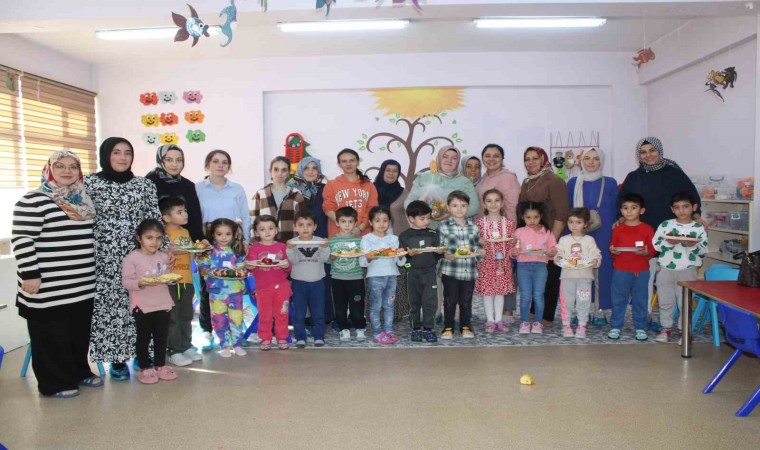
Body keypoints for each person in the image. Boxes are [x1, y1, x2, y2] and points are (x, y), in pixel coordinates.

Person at [12, 150, 99, 398]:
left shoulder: (84, 200)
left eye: (73, 166)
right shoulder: (33, 200)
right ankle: (56, 383)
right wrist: (30, 274)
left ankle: (80, 372)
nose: (67, 171)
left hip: (82, 284)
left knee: (78, 336)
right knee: (51, 337)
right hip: (47, 286)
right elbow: (22, 239)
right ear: (49, 169)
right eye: (60, 166)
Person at [85, 137, 164, 381]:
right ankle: (117, 360)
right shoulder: (89, 183)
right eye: (116, 152)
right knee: (113, 310)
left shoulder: (144, 185)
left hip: (142, 256)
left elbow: (154, 218)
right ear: (106, 155)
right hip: (105, 259)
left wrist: (164, 250)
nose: (122, 157)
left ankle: (143, 355)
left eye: (127, 152)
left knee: (144, 307)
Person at [617, 137, 703, 320]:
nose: (648, 155)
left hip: (672, 235)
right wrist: (621, 218)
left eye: (652, 150)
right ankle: (645, 317)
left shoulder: (675, 174)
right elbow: (623, 201)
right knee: (645, 279)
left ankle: (679, 322)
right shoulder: (634, 177)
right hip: (643, 234)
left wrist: (697, 217)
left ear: (660, 151)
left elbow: (690, 198)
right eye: (643, 152)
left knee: (673, 280)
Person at [195, 150, 251, 346]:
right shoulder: (197, 188)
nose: (220, 165)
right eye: (216, 161)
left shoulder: (237, 189)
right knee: (208, 286)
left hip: (232, 240)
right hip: (207, 241)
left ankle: (236, 331)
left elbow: (245, 216)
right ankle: (208, 330)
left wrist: (245, 240)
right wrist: (199, 241)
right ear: (207, 165)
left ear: (229, 166)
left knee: (233, 284)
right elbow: (193, 216)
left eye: (225, 162)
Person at [121, 219, 178, 384]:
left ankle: (160, 365)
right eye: (149, 238)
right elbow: (126, 281)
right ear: (139, 238)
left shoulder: (164, 256)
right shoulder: (132, 258)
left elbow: (168, 277)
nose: (154, 242)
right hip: (142, 306)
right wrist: (140, 283)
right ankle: (145, 368)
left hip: (163, 304)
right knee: (143, 338)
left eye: (159, 238)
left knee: (161, 337)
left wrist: (171, 279)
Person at [566, 148, 618, 325]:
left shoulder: (610, 183)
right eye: (587, 158)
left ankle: (600, 311)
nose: (591, 162)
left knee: (601, 272)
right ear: (581, 161)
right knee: (581, 273)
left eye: (596, 159)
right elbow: (569, 209)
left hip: (603, 232)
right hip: (578, 234)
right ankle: (583, 310)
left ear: (601, 161)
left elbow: (616, 210)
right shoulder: (573, 182)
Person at [519, 146, 568, 323]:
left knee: (550, 275)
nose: (531, 162)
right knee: (535, 275)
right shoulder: (527, 181)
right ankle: (534, 309)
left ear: (543, 159)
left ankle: (547, 314)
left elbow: (561, 213)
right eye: (527, 159)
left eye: (535, 158)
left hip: (550, 235)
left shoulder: (554, 180)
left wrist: (550, 241)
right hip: (531, 238)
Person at [652, 192, 708, 343]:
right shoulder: (666, 225)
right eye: (677, 207)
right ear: (672, 209)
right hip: (666, 269)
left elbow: (703, 250)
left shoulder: (698, 228)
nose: (681, 210)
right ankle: (665, 329)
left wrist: (693, 245)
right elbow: (656, 245)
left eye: (685, 206)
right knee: (665, 301)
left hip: (688, 270)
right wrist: (669, 242)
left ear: (694, 207)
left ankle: (684, 331)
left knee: (685, 303)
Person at [476, 144, 521, 324]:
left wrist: (508, 232)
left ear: (502, 158)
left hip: (503, 235)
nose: (492, 159)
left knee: (504, 275)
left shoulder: (508, 177)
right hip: (487, 236)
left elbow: (512, 207)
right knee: (490, 282)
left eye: (496, 155)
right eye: (487, 155)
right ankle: (491, 318)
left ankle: (506, 313)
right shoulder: (484, 178)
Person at [287, 157, 335, 326]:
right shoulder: (292, 189)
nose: (310, 171)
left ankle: (324, 317)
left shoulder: (326, 188)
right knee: (299, 279)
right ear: (300, 170)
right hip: (299, 240)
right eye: (306, 168)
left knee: (322, 278)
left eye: (314, 168)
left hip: (320, 238)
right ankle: (301, 318)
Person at [438, 191, 485, 340]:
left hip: (468, 271)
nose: (459, 209)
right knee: (450, 300)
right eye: (455, 205)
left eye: (463, 205)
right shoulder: (443, 226)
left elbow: (476, 246)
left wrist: (480, 251)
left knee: (466, 301)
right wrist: (444, 254)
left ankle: (465, 326)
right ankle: (448, 326)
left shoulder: (474, 227)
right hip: (450, 270)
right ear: (448, 207)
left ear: (468, 207)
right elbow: (440, 247)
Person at [159, 197, 202, 366]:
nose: (185, 214)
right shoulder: (163, 234)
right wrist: (170, 250)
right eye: (179, 212)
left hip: (187, 279)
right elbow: (159, 255)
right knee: (173, 316)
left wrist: (195, 251)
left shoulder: (185, 232)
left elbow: (190, 255)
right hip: (171, 281)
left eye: (185, 211)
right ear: (166, 217)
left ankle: (186, 346)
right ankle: (173, 350)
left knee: (186, 314)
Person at [197, 218, 248, 357]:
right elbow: (202, 269)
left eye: (228, 234)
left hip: (235, 291)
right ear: (213, 234)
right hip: (216, 292)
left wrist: (240, 269)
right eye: (219, 234)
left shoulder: (237, 250)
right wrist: (207, 270)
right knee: (219, 319)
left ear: (233, 234)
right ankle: (224, 345)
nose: (224, 237)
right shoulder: (208, 252)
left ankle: (237, 344)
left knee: (236, 318)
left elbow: (242, 268)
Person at [608, 193, 656, 341]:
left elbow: (652, 249)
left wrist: (646, 252)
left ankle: (640, 327)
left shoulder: (647, 229)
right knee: (618, 298)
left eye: (633, 208)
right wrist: (613, 251)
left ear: (642, 210)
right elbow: (613, 247)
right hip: (621, 269)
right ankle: (616, 326)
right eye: (625, 208)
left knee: (640, 299)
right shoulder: (618, 229)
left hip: (641, 270)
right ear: (621, 211)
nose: (629, 211)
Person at [510, 201, 558, 335]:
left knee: (538, 295)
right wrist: (514, 252)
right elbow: (512, 250)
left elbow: (553, 249)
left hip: (540, 266)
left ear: (541, 216)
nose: (532, 221)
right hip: (523, 266)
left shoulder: (547, 232)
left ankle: (537, 322)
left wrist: (552, 252)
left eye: (535, 217)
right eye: (528, 217)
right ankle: (525, 322)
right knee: (525, 295)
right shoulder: (519, 232)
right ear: (523, 217)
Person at [399, 201, 444, 343]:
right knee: (414, 302)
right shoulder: (405, 235)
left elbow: (438, 254)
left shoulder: (433, 234)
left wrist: (440, 252)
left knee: (430, 302)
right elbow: (401, 257)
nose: (426, 221)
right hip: (412, 273)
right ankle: (416, 328)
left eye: (428, 218)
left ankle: (429, 329)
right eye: (422, 218)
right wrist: (408, 255)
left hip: (430, 273)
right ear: (411, 218)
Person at [554, 208, 602, 339]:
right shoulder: (564, 239)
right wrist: (557, 258)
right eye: (571, 222)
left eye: (578, 222)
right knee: (567, 302)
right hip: (567, 277)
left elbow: (596, 255)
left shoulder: (589, 240)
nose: (574, 225)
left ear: (585, 224)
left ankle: (582, 325)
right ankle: (566, 325)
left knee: (583, 301)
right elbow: (558, 254)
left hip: (584, 277)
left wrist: (595, 261)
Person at [360, 206, 405, 345]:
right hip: (375, 276)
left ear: (389, 222)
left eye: (385, 220)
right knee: (376, 306)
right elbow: (362, 261)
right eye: (377, 220)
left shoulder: (393, 239)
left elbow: (398, 261)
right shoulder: (366, 239)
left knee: (389, 305)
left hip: (392, 275)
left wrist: (401, 255)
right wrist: (369, 257)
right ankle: (377, 332)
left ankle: (389, 330)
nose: (381, 224)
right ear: (370, 222)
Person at [405, 146, 480, 228]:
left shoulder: (464, 182)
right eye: (445, 156)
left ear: (458, 161)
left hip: (452, 230)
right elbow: (409, 201)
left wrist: (451, 214)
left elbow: (474, 207)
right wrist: (420, 211)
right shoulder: (424, 177)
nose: (449, 161)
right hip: (425, 229)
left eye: (454, 158)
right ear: (439, 158)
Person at [286, 210, 331, 348]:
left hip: (317, 282)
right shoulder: (292, 243)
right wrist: (290, 249)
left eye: (309, 224)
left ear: (315, 227)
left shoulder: (320, 241)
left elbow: (325, 259)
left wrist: (325, 248)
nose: (305, 228)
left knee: (318, 312)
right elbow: (293, 261)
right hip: (298, 283)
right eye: (301, 225)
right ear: (295, 227)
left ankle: (319, 336)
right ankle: (300, 337)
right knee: (299, 313)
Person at [247, 215, 292, 351]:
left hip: (282, 287)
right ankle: (265, 338)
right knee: (265, 315)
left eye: (271, 228)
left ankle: (282, 337)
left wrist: (286, 265)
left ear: (276, 230)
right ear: (256, 232)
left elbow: (289, 266)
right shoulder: (254, 248)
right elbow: (251, 267)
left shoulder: (282, 247)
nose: (267, 232)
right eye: (262, 229)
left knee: (282, 314)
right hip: (263, 288)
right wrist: (249, 266)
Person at [475, 189, 517, 333]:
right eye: (489, 201)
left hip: (503, 263)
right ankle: (490, 320)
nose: (493, 204)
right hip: (486, 262)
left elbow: (511, 246)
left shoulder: (509, 224)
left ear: (502, 203)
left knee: (500, 291)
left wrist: (514, 244)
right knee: (488, 292)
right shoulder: (479, 224)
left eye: (497, 200)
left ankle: (498, 320)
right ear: (484, 204)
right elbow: (474, 244)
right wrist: (478, 242)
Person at [373, 159, 409, 322]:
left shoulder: (403, 193)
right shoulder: (371, 190)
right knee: (376, 277)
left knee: (397, 276)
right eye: (388, 170)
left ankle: (397, 311)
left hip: (397, 238)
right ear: (382, 171)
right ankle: (376, 311)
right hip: (375, 240)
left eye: (395, 171)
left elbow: (411, 212)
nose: (391, 174)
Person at [145, 144, 204, 242]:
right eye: (169, 160)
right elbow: (144, 218)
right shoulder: (147, 183)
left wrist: (198, 241)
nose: (174, 164)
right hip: (154, 242)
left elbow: (194, 217)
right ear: (161, 160)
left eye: (179, 160)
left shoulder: (188, 185)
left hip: (184, 241)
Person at [328, 207, 367, 341]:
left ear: (355, 223)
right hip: (337, 278)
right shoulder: (331, 241)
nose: (347, 225)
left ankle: (360, 328)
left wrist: (362, 255)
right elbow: (327, 259)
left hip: (356, 278)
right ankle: (343, 328)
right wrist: (331, 257)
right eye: (343, 221)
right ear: (337, 223)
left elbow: (364, 259)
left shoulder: (360, 241)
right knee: (340, 306)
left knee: (357, 305)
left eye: (350, 222)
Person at [323, 148, 379, 238]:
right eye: (344, 161)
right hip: (338, 236)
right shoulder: (331, 185)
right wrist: (343, 225)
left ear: (358, 162)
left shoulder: (369, 185)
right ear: (339, 164)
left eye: (352, 160)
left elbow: (372, 210)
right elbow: (328, 208)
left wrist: (360, 228)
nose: (348, 164)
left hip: (364, 235)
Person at [253, 156, 306, 243]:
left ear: (288, 173)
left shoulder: (296, 194)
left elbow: (302, 221)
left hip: (290, 243)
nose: (280, 173)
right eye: (276, 169)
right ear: (270, 171)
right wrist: (254, 242)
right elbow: (252, 220)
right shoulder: (261, 194)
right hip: (266, 244)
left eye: (284, 170)